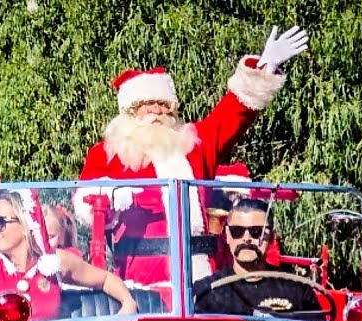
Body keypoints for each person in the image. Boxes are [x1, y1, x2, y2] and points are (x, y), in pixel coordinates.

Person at [73, 26, 310, 289]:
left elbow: (232, 115)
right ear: (130, 112)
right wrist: (113, 197)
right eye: (146, 105)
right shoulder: (109, 151)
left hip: (203, 271)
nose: (157, 111)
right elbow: (86, 203)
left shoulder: (194, 144)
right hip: (138, 275)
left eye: (163, 105)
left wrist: (264, 67)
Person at [0, 189, 138, 321]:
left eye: (0, 222)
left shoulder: (55, 261)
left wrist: (128, 303)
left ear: (26, 223)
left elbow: (105, 279)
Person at [190, 198, 322, 317]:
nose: (246, 239)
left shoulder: (297, 290)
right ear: (228, 236)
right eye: (237, 231)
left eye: (256, 232)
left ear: (271, 236)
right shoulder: (206, 291)